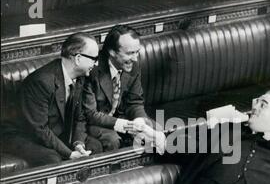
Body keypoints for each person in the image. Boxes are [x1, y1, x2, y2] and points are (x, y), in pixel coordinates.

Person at [2, 32, 102, 167]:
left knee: (94, 147)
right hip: (21, 136)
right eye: (94, 58)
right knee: (52, 159)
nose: (96, 63)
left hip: (53, 132)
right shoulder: (41, 82)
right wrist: (70, 154)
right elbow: (39, 130)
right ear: (78, 59)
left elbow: (80, 118)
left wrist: (78, 144)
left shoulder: (81, 77)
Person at [83, 24, 165, 153]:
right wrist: (127, 126)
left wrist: (139, 121)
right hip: (94, 123)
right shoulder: (91, 70)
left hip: (121, 118)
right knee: (112, 141)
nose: (135, 58)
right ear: (112, 52)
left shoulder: (134, 66)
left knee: (155, 130)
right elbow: (90, 114)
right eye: (130, 53)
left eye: (137, 52)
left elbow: (135, 101)